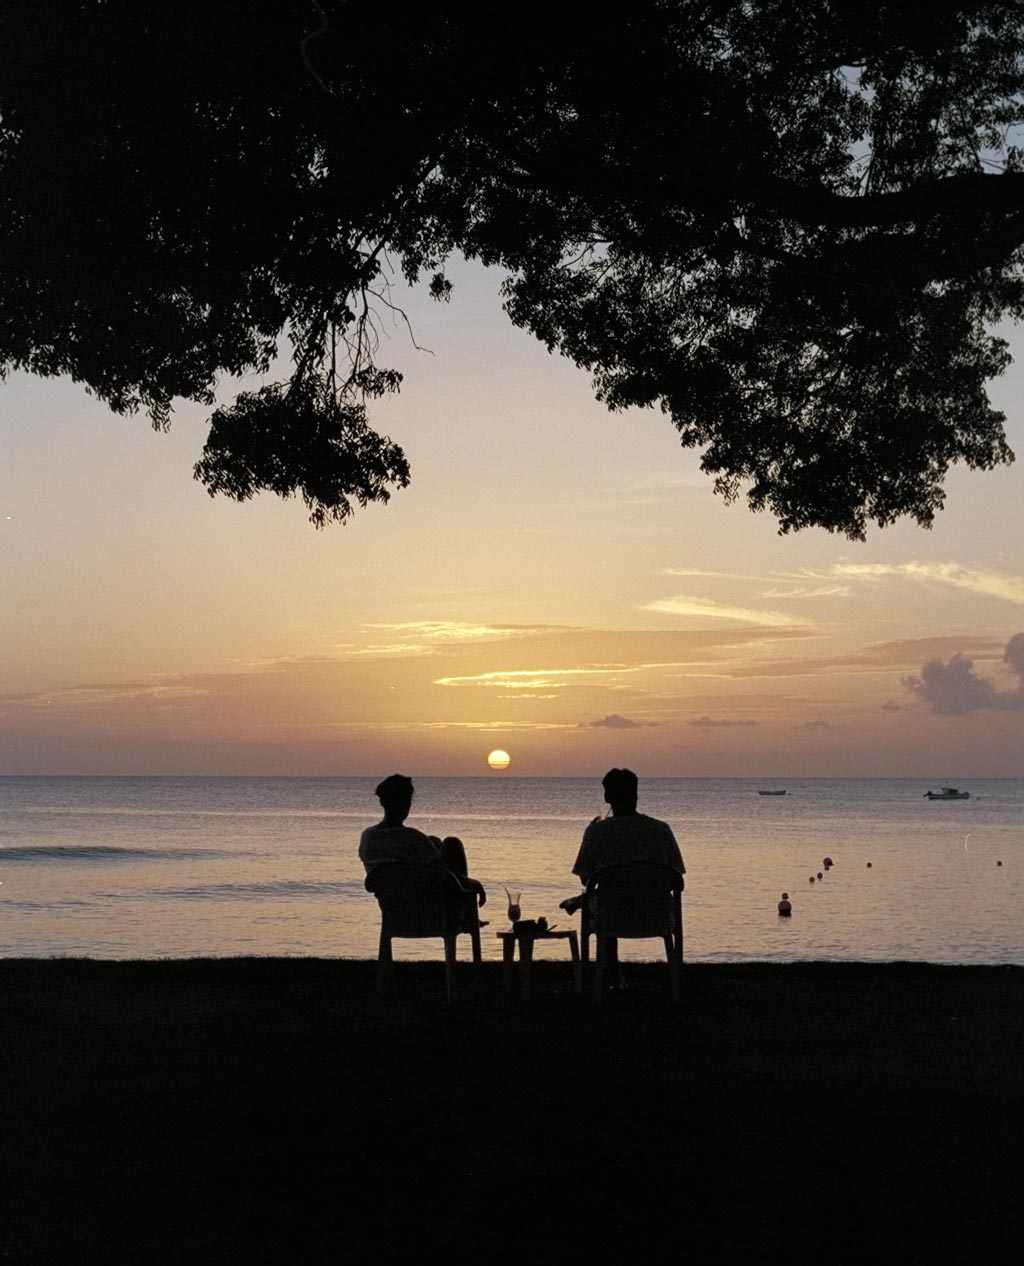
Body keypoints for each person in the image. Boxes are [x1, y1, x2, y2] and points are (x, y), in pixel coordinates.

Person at [561, 769, 685, 973]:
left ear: (607, 797)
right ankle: (675, 981)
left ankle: (608, 976)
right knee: (607, 899)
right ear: (635, 794)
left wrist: (590, 833)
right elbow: (676, 879)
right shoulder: (661, 830)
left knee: (605, 901)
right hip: (656, 915)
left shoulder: (597, 832)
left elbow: (586, 880)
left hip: (612, 917)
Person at [359, 774, 487, 914]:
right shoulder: (412, 837)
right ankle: (466, 913)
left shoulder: (368, 837)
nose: (407, 805)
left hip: (395, 913)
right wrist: (475, 884)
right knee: (452, 843)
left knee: (434, 841)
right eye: (405, 800)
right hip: (430, 914)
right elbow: (446, 875)